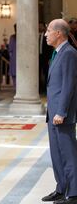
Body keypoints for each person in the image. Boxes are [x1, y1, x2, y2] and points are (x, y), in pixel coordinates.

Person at [42, 19, 77, 204]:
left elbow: (68, 85)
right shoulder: (57, 52)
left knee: (68, 152)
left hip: (62, 114)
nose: (45, 34)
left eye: (48, 31)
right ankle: (61, 188)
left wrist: (61, 112)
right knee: (56, 153)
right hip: (53, 112)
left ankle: (73, 194)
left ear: (59, 34)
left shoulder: (70, 53)